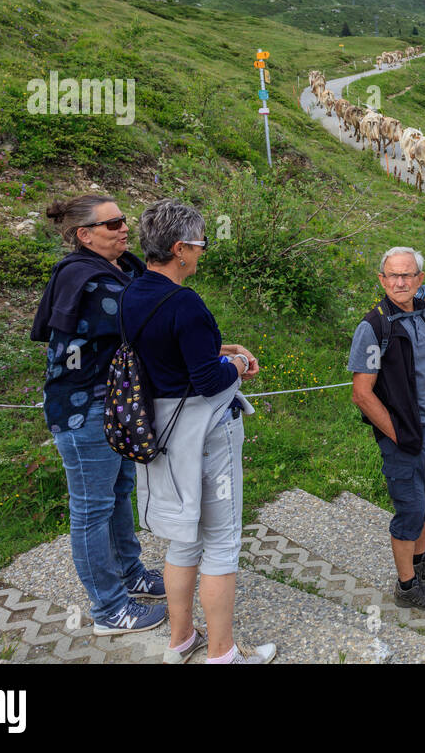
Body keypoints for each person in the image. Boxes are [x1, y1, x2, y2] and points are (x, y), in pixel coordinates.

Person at [120, 199, 274, 664]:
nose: (203, 253)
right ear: (180, 248)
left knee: (184, 537)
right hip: (205, 432)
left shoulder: (133, 292)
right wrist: (237, 363)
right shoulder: (185, 302)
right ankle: (224, 654)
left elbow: (163, 349)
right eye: (200, 245)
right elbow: (208, 379)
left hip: (160, 428)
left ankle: (180, 639)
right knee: (222, 542)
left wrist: (219, 348)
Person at [31, 194, 167, 635]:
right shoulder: (87, 281)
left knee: (119, 490)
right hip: (83, 409)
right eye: (112, 225)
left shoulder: (120, 269)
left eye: (124, 220)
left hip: (113, 403)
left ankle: (131, 575)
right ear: (84, 235)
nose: (124, 229)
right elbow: (147, 326)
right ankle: (109, 609)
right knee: (91, 509)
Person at [349, 247, 425, 610]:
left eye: (408, 275)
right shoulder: (373, 328)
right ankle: (406, 587)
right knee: (411, 509)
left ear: (419, 280)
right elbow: (361, 394)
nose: (400, 282)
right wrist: (399, 435)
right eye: (393, 275)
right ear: (382, 280)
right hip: (403, 436)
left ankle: (419, 561)